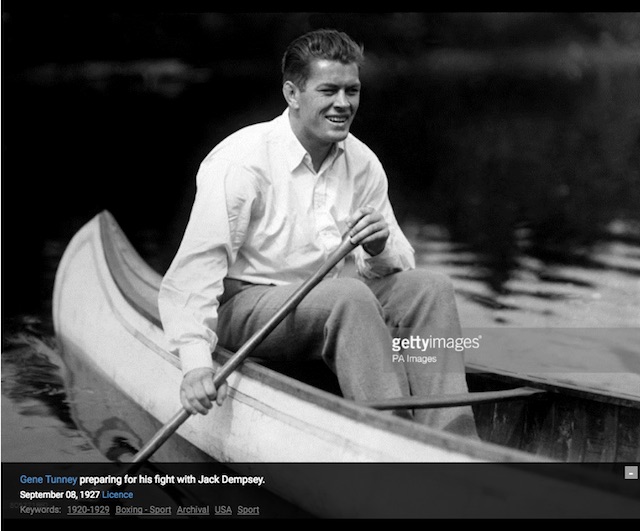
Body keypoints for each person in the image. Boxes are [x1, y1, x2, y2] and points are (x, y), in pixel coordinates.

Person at [158, 28, 478, 436]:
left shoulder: (362, 162)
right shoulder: (241, 161)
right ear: (293, 94)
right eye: (329, 90)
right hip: (246, 308)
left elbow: (396, 267)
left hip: (332, 302)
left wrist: (379, 247)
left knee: (430, 288)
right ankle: (395, 441)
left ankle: (454, 438)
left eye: (352, 90)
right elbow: (195, 273)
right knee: (346, 296)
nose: (343, 104)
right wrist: (195, 365)